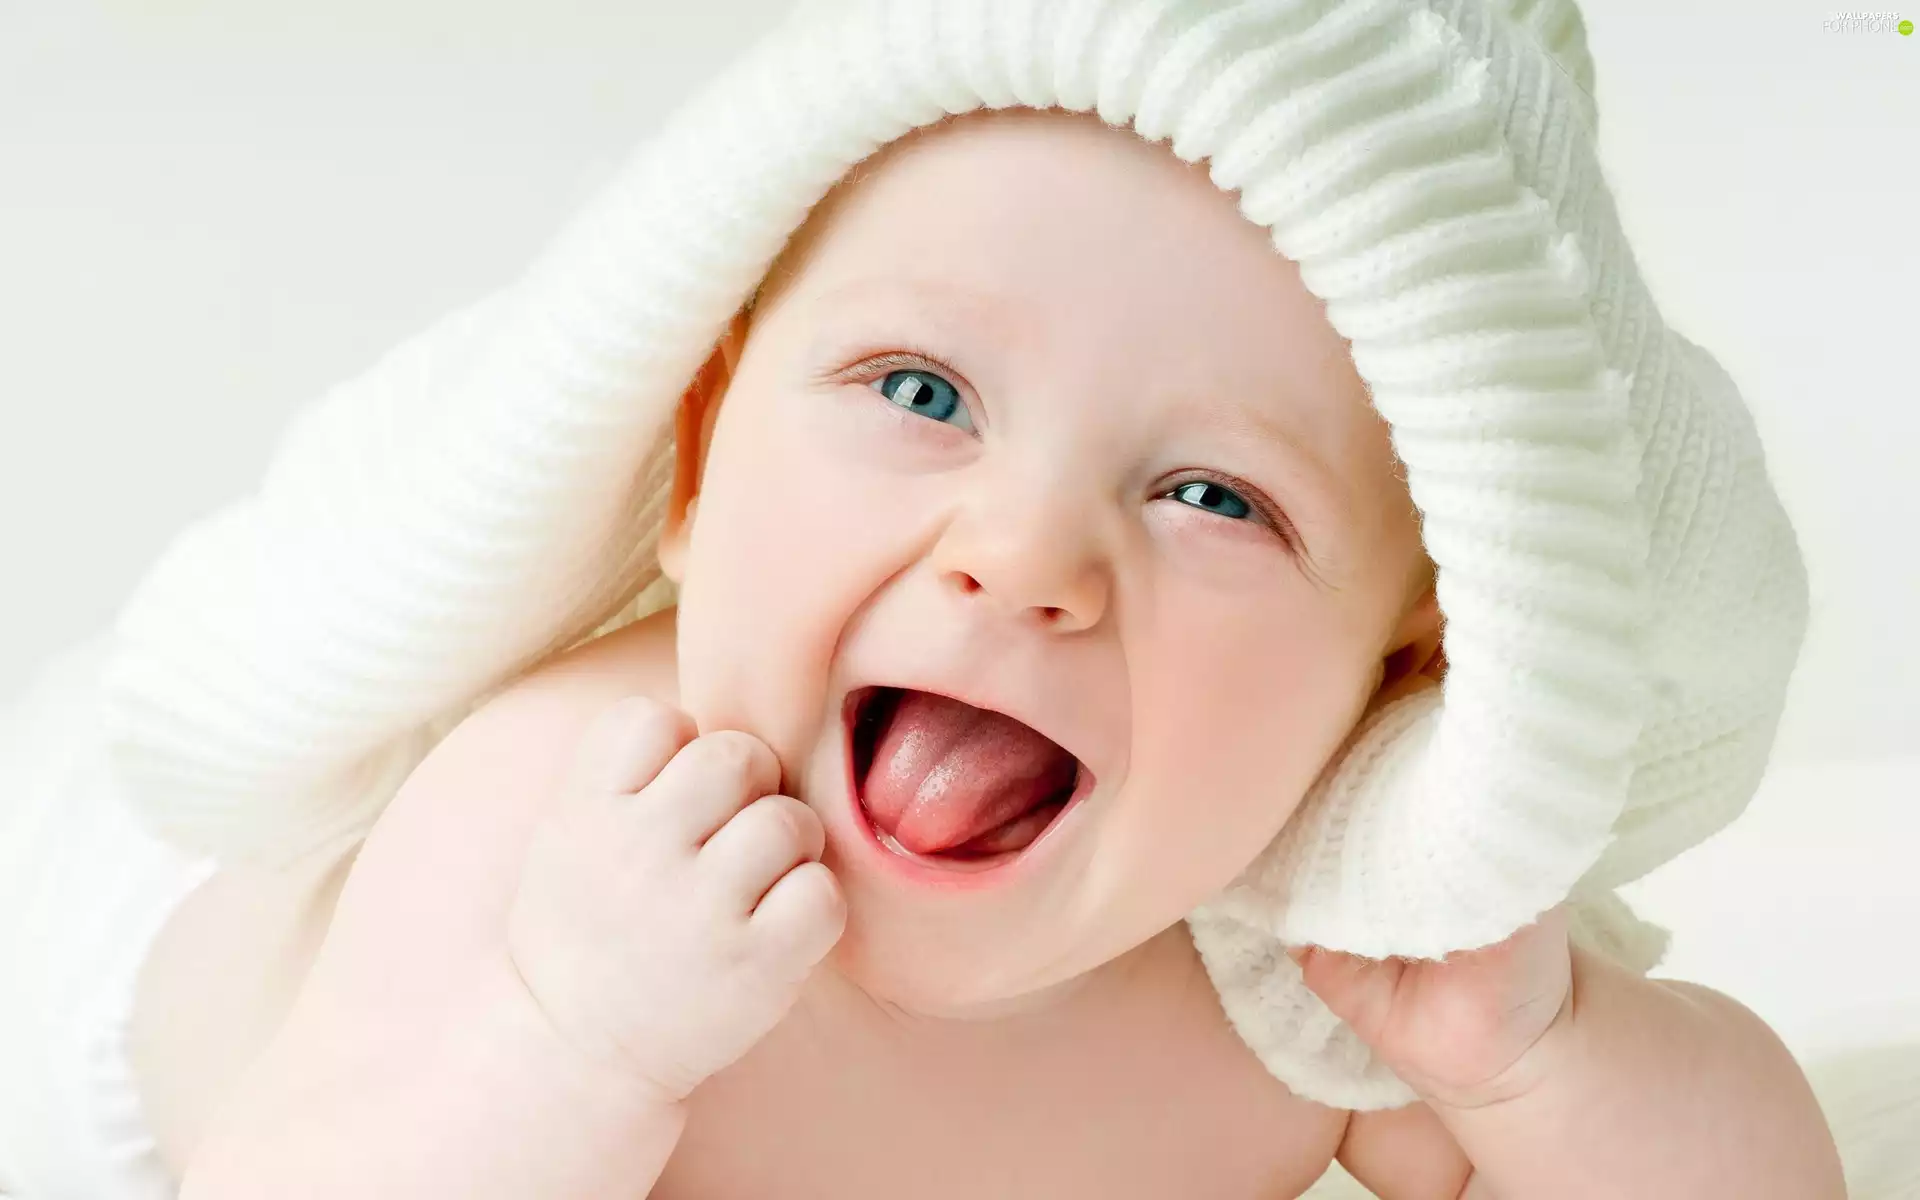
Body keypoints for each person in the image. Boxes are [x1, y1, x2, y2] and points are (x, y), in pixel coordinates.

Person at [1, 2, 1841, 1197]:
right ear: (703, 452)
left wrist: (1546, 1062)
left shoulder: (1296, 969)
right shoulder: (559, 832)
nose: (1024, 559)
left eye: (1217, 496)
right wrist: (568, 1044)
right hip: (127, 953)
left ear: (1399, 669)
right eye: (923, 393)